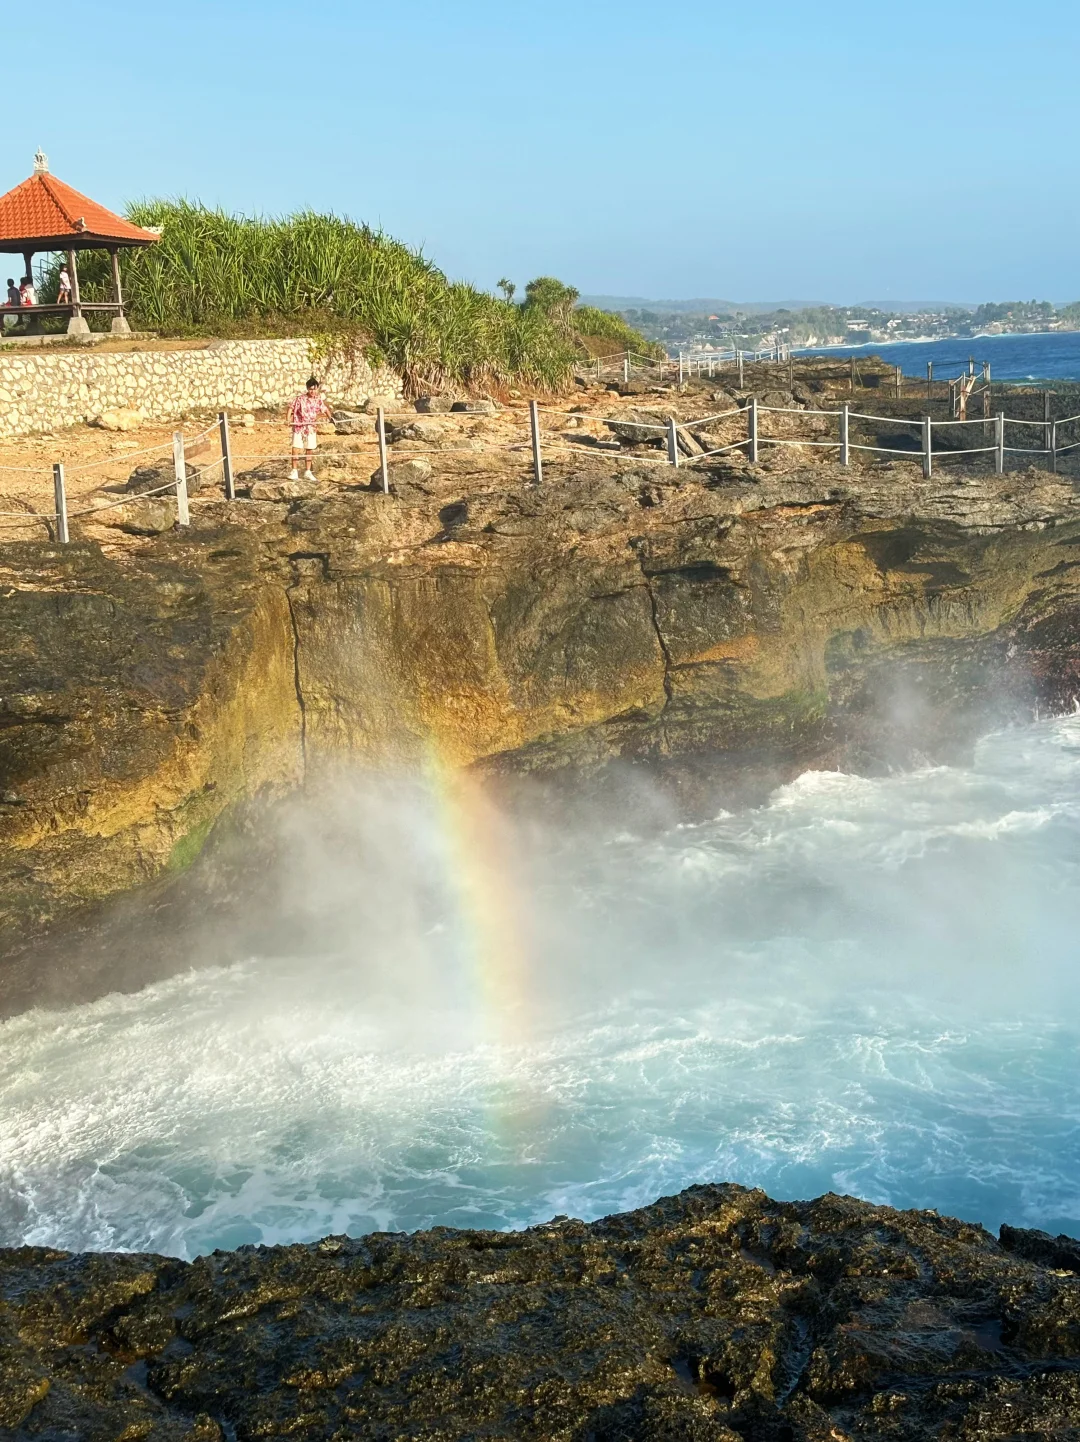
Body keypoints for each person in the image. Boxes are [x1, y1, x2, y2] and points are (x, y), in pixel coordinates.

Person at [287, 376, 332, 481]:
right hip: (299, 426)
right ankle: (294, 471)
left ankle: (308, 471)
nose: (313, 391)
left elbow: (325, 409)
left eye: (315, 389)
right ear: (307, 388)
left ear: (317, 389)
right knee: (295, 448)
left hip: (311, 427)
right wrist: (288, 419)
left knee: (309, 449)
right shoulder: (300, 399)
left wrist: (331, 418)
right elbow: (291, 408)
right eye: (311, 389)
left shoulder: (318, 400)